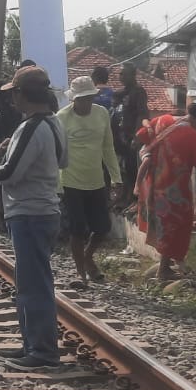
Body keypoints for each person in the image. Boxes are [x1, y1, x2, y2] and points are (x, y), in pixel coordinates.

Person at [0, 66, 67, 371]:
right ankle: (31, 344)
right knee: (30, 282)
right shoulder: (54, 123)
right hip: (43, 209)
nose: (12, 101)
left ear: (22, 94)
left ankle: (43, 352)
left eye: (14, 94)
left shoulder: (31, 127)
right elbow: (61, 160)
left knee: (34, 285)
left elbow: (8, 173)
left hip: (30, 212)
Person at [57, 76, 122, 286]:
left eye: (89, 98)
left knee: (102, 227)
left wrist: (116, 178)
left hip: (96, 180)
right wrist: (56, 185)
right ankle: (81, 273)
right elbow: (56, 153)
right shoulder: (62, 118)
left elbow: (108, 148)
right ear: (73, 99)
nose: (85, 102)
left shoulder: (102, 114)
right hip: (70, 180)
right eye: (81, 98)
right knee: (77, 229)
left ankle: (87, 257)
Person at [135, 103, 196, 281]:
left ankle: (165, 266)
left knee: (164, 227)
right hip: (176, 190)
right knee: (176, 227)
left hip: (152, 185)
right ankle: (164, 269)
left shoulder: (164, 119)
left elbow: (141, 134)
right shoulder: (193, 136)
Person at [113, 64, 149, 206]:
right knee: (121, 170)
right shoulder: (119, 93)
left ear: (133, 75)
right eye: (120, 74)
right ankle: (123, 197)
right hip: (119, 137)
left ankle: (135, 200)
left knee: (132, 168)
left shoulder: (138, 92)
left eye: (124, 74)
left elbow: (142, 114)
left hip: (131, 137)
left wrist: (137, 135)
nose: (121, 77)